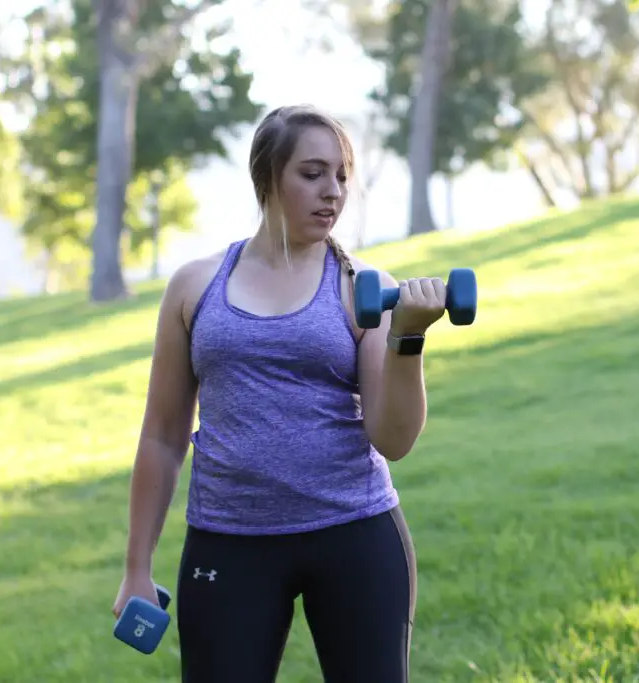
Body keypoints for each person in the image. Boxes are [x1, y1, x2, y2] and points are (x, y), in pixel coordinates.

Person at [111, 103, 447, 682]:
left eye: (342, 175)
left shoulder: (364, 288)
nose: (333, 192)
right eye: (313, 173)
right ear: (267, 176)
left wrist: (408, 335)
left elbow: (394, 439)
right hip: (228, 540)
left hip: (353, 533)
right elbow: (163, 438)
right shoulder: (195, 286)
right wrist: (136, 567)